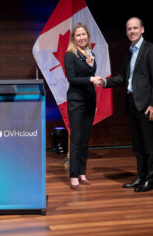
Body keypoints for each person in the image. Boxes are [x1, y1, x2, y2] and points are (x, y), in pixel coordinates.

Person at [103, 17, 153, 192]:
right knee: (138, 145)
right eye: (129, 29)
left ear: (142, 29)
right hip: (132, 104)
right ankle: (141, 177)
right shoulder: (129, 51)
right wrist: (104, 83)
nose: (132, 31)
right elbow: (123, 77)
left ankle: (150, 181)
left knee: (149, 146)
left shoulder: (151, 50)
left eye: (135, 28)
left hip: (146, 105)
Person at [64, 22, 103, 190]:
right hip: (76, 101)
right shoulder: (70, 55)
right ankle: (73, 176)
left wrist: (95, 83)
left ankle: (82, 173)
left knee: (85, 138)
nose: (81, 37)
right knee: (77, 139)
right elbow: (72, 79)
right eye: (78, 35)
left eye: (83, 34)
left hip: (89, 101)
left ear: (88, 36)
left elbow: (90, 75)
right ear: (74, 38)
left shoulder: (90, 53)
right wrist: (91, 79)